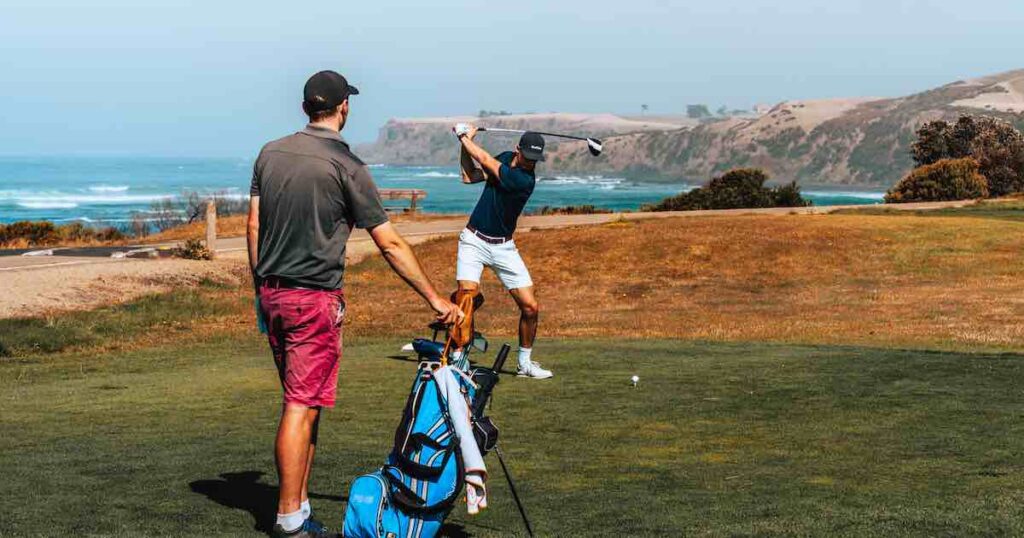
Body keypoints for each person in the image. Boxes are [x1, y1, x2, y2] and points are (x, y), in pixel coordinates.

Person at [248, 70, 462, 538]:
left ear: (307, 107)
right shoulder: (347, 166)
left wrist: (259, 289)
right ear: (344, 107)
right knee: (300, 405)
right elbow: (390, 244)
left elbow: (254, 225)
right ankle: (288, 520)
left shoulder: (270, 153)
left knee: (306, 404)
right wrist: (434, 298)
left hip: (274, 293)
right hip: (313, 299)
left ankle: (299, 507)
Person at [452, 123, 552, 379]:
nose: (531, 163)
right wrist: (463, 145)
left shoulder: (524, 180)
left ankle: (525, 364)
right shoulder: (507, 159)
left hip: (504, 247)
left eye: (535, 160)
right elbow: (469, 176)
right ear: (517, 150)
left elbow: (484, 158)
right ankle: (458, 358)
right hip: (473, 241)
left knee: (530, 307)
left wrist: (464, 136)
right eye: (528, 157)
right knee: (467, 298)